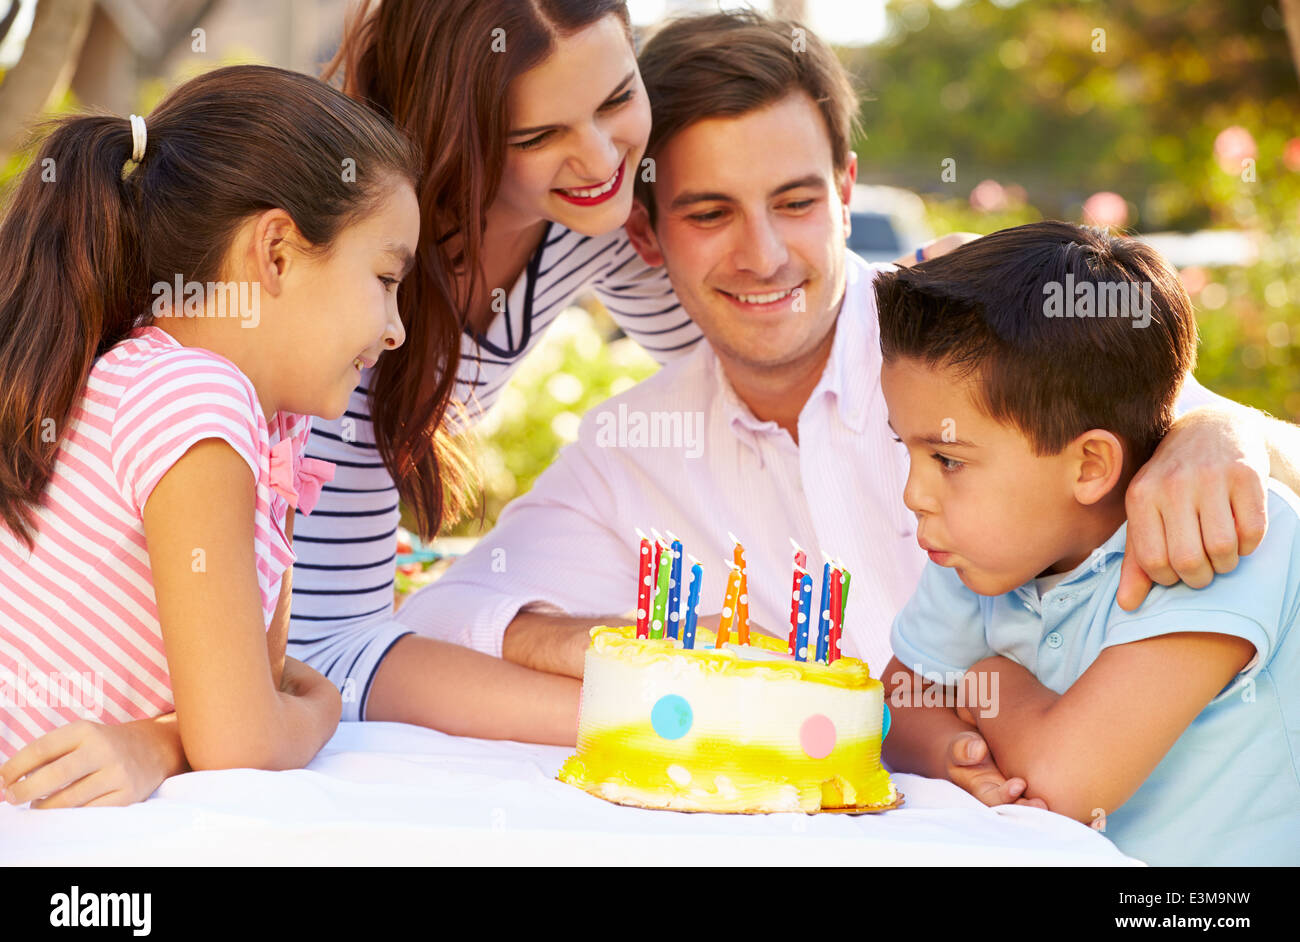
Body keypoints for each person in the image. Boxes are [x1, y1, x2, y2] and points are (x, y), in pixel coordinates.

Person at [398, 10, 1300, 808]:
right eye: (709, 213)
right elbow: (438, 617)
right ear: (645, 233)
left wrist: (1216, 430)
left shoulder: (969, 342)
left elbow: (1194, 443)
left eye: (794, 202)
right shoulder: (633, 446)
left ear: (845, 190)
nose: (763, 255)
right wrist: (619, 641)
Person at [287, 0, 969, 728]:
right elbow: (328, 652)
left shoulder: (598, 220)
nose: (604, 159)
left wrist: (959, 309)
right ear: (462, 137)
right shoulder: (345, 289)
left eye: (616, 99)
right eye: (540, 134)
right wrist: (670, 702)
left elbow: (774, 336)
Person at [0, 65, 415, 805]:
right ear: (278, 251)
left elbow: (251, 693)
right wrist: (324, 709)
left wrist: (166, 740)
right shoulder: (195, 399)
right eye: (386, 279)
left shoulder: (229, 410)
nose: (395, 330)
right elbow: (246, 740)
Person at [876, 222, 1299, 865]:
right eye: (905, 448)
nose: (915, 494)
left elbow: (1065, 782)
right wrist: (951, 755)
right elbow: (897, 702)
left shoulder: (1215, 535)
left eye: (948, 459)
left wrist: (987, 683)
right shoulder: (983, 550)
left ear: (1089, 466)